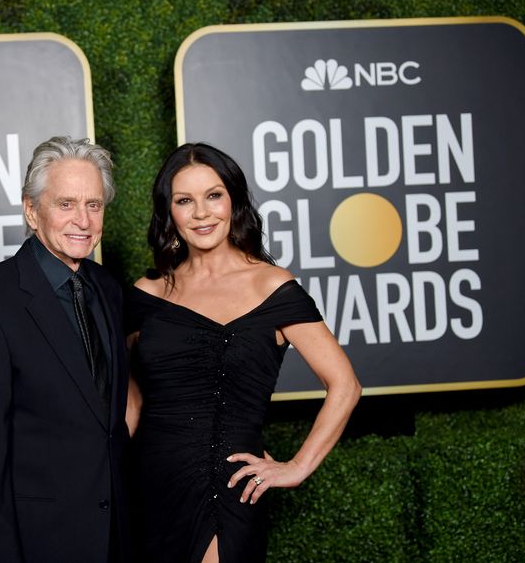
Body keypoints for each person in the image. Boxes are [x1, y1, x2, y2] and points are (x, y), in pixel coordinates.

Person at [126, 142, 361, 563]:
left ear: (233, 200)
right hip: (146, 485)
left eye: (213, 195)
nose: (201, 213)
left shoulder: (271, 287)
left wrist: (298, 465)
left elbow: (345, 385)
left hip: (227, 489)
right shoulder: (147, 294)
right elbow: (132, 405)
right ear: (169, 212)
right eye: (185, 200)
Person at [0, 136, 130, 563]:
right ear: (32, 210)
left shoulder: (108, 289)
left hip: (116, 538)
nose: (82, 220)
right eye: (65, 204)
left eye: (94, 205)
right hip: (40, 544)